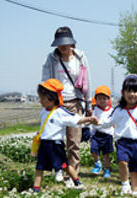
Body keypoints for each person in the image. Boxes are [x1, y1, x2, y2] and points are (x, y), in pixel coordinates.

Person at [42, 26, 92, 186]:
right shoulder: (51, 59)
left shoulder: (80, 57)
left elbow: (88, 81)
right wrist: (46, 102)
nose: (63, 46)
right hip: (57, 105)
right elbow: (45, 81)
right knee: (54, 140)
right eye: (60, 43)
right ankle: (58, 169)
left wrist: (89, 102)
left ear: (72, 43)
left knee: (74, 142)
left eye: (66, 43)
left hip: (75, 102)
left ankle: (72, 175)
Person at [33, 79, 98, 192]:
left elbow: (75, 119)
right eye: (40, 98)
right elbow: (45, 124)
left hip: (56, 144)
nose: (41, 101)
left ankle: (76, 181)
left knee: (65, 165)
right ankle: (36, 188)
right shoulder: (43, 111)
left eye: (43, 98)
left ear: (52, 98)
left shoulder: (60, 112)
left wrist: (88, 119)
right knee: (40, 166)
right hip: (44, 143)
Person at [98, 74, 137, 195]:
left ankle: (135, 190)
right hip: (122, 141)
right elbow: (108, 122)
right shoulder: (119, 110)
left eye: (136, 91)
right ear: (123, 92)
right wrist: (97, 122)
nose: (132, 94)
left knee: (135, 168)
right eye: (129, 91)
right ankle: (125, 184)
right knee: (122, 161)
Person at [90, 86, 114, 178]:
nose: (102, 101)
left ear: (109, 99)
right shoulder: (95, 109)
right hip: (97, 134)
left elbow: (114, 122)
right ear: (96, 99)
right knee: (93, 150)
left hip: (107, 135)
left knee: (106, 154)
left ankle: (107, 169)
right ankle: (97, 163)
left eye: (104, 98)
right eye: (99, 98)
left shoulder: (112, 111)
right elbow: (92, 118)